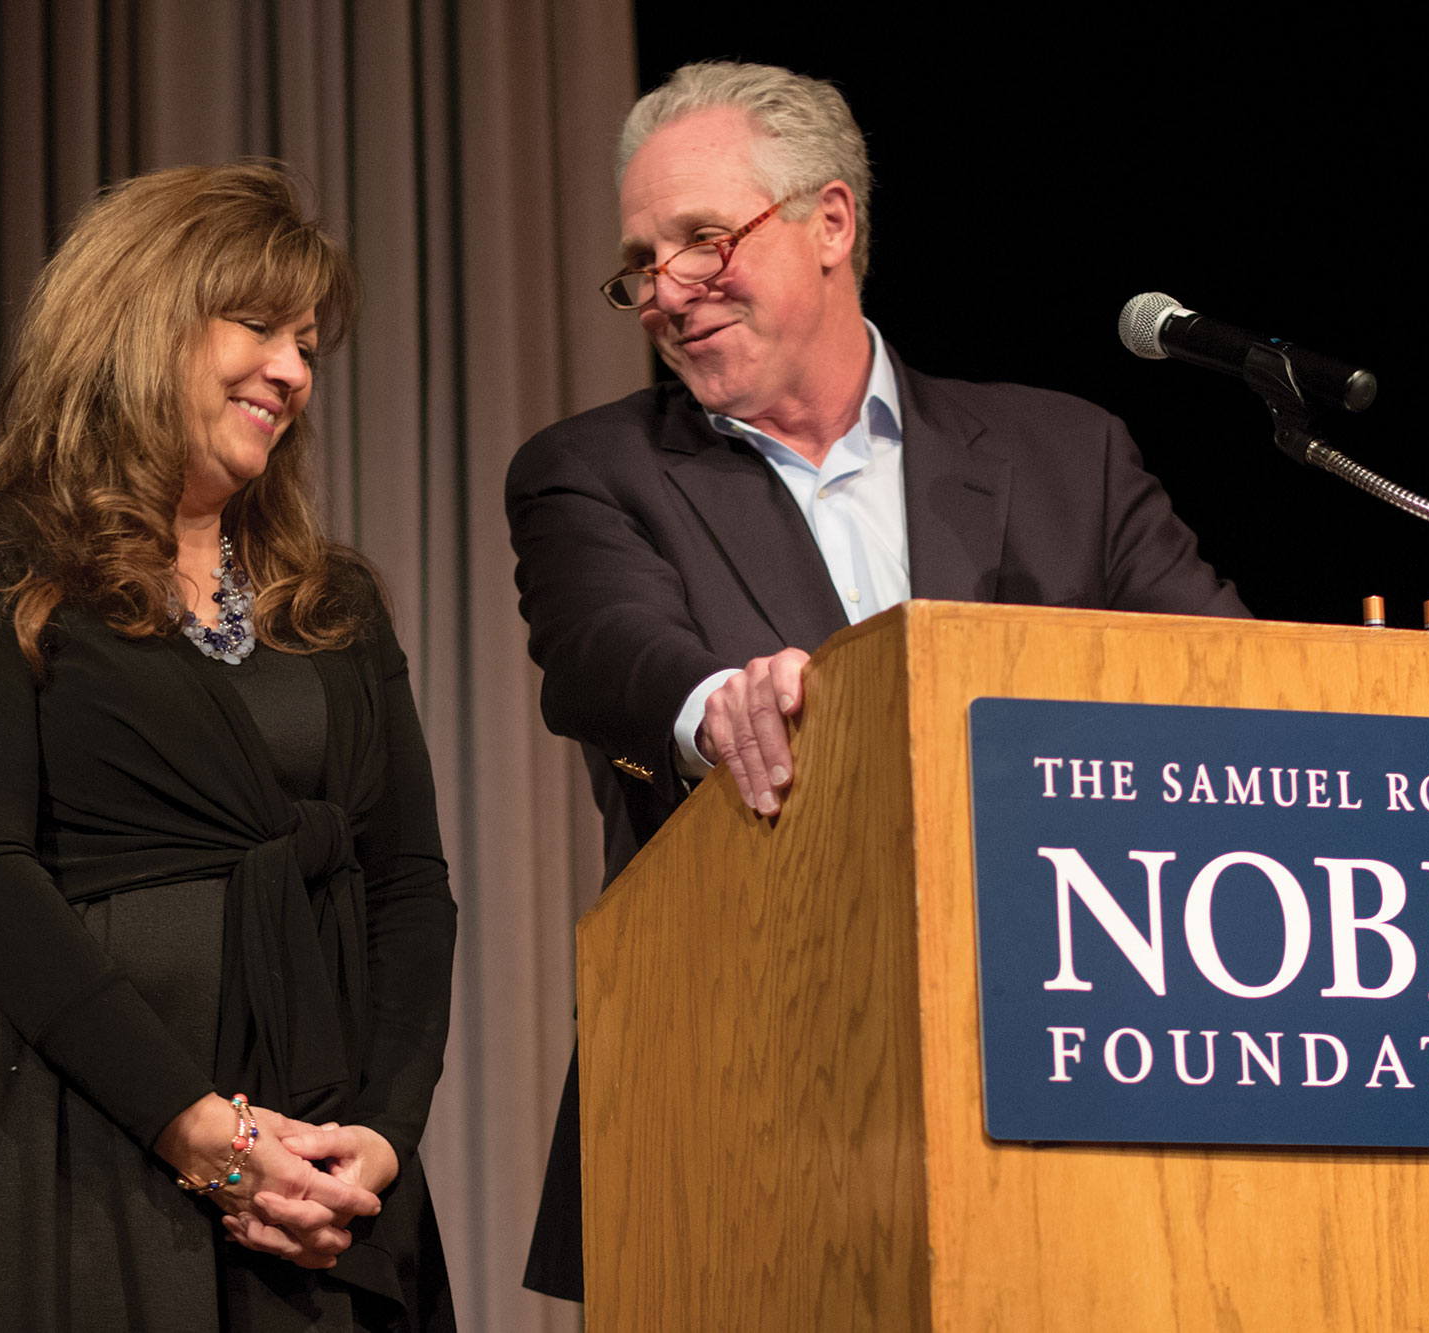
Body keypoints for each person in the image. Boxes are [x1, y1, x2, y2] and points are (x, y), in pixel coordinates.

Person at [505, 62, 1248, 1300]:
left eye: (702, 239)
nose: (666, 290)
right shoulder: (590, 470)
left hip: (1085, 1085)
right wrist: (713, 706)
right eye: (642, 261)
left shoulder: (1066, 453)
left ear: (830, 223)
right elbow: (603, 653)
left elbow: (1231, 694)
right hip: (749, 1109)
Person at [0, 162, 457, 1332]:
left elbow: (410, 885)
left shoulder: (331, 597)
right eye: (257, 326)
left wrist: (380, 1139)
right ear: (143, 317)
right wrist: (196, 1127)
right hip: (63, 1154)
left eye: (306, 344)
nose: (290, 371)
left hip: (317, 1172)